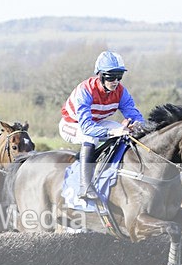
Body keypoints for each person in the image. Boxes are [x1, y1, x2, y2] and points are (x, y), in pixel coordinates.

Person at [59, 51, 145, 201]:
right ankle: (85, 186)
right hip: (72, 125)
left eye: (119, 76)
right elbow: (86, 128)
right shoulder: (85, 91)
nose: (116, 81)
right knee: (91, 137)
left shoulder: (120, 91)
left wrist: (137, 124)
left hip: (96, 122)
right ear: (100, 75)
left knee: (124, 133)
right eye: (111, 77)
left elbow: (134, 114)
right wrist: (113, 132)